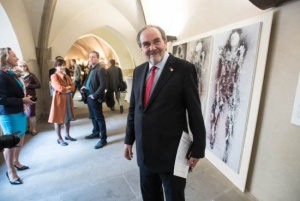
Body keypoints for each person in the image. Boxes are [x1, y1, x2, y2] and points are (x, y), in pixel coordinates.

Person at [123, 25, 206, 201]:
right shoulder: (138, 71)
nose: (152, 48)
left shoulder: (184, 69)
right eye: (146, 44)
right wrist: (128, 140)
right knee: (150, 196)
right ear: (141, 48)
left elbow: (194, 111)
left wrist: (198, 148)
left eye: (156, 41)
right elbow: (134, 109)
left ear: (165, 42)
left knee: (174, 197)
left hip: (173, 153)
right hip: (145, 152)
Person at [0, 47, 35, 185]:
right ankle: (10, 171)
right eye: (14, 56)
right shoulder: (1, 74)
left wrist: (24, 96)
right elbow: (1, 99)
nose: (17, 58)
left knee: (20, 138)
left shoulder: (12, 73)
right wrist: (22, 100)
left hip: (19, 111)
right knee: (11, 142)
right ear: (5, 58)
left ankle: (16, 162)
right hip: (8, 114)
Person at [81, 51, 108, 149]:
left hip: (94, 97)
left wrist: (95, 95)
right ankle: (96, 133)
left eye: (93, 57)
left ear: (98, 58)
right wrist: (84, 86)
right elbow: (87, 80)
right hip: (89, 95)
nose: (91, 58)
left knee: (99, 118)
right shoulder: (92, 68)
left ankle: (103, 139)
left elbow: (103, 85)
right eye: (90, 57)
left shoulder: (100, 69)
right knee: (93, 116)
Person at [48, 58, 76, 146]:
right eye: (60, 65)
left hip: (67, 98)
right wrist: (67, 88)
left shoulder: (67, 76)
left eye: (63, 65)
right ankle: (59, 138)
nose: (62, 67)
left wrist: (68, 88)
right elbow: (58, 87)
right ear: (56, 67)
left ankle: (67, 135)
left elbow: (73, 86)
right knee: (58, 119)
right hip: (59, 100)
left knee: (67, 118)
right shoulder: (54, 76)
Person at [19, 61, 41, 135]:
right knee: (24, 112)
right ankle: (27, 128)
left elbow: (38, 85)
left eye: (24, 66)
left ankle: (33, 128)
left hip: (31, 95)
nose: (23, 68)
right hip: (21, 96)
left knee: (32, 112)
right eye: (21, 66)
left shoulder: (31, 75)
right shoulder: (17, 76)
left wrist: (29, 85)